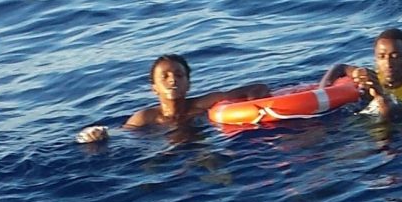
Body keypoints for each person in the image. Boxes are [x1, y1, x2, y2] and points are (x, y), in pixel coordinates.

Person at [74, 54, 267, 143]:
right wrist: (98, 133)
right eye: (164, 76)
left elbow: (255, 88)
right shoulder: (145, 118)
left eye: (179, 75)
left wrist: (257, 101)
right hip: (163, 148)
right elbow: (121, 134)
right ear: (154, 88)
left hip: (200, 143)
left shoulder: (204, 103)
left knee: (213, 166)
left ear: (188, 84)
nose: (172, 80)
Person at [320, 27, 402, 119]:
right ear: (376, 59)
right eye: (382, 57)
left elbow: (400, 113)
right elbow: (340, 67)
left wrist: (379, 96)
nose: (388, 63)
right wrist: (322, 91)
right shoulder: (373, 76)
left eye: (395, 56)